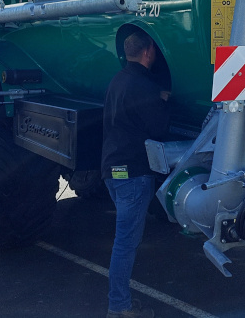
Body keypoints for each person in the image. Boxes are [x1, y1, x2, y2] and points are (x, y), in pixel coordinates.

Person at [100, 32, 170, 318]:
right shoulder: (145, 86)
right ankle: (119, 307)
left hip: (112, 170)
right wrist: (163, 101)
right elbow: (159, 129)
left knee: (125, 241)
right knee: (125, 243)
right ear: (149, 52)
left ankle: (120, 303)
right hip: (133, 173)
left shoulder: (117, 80)